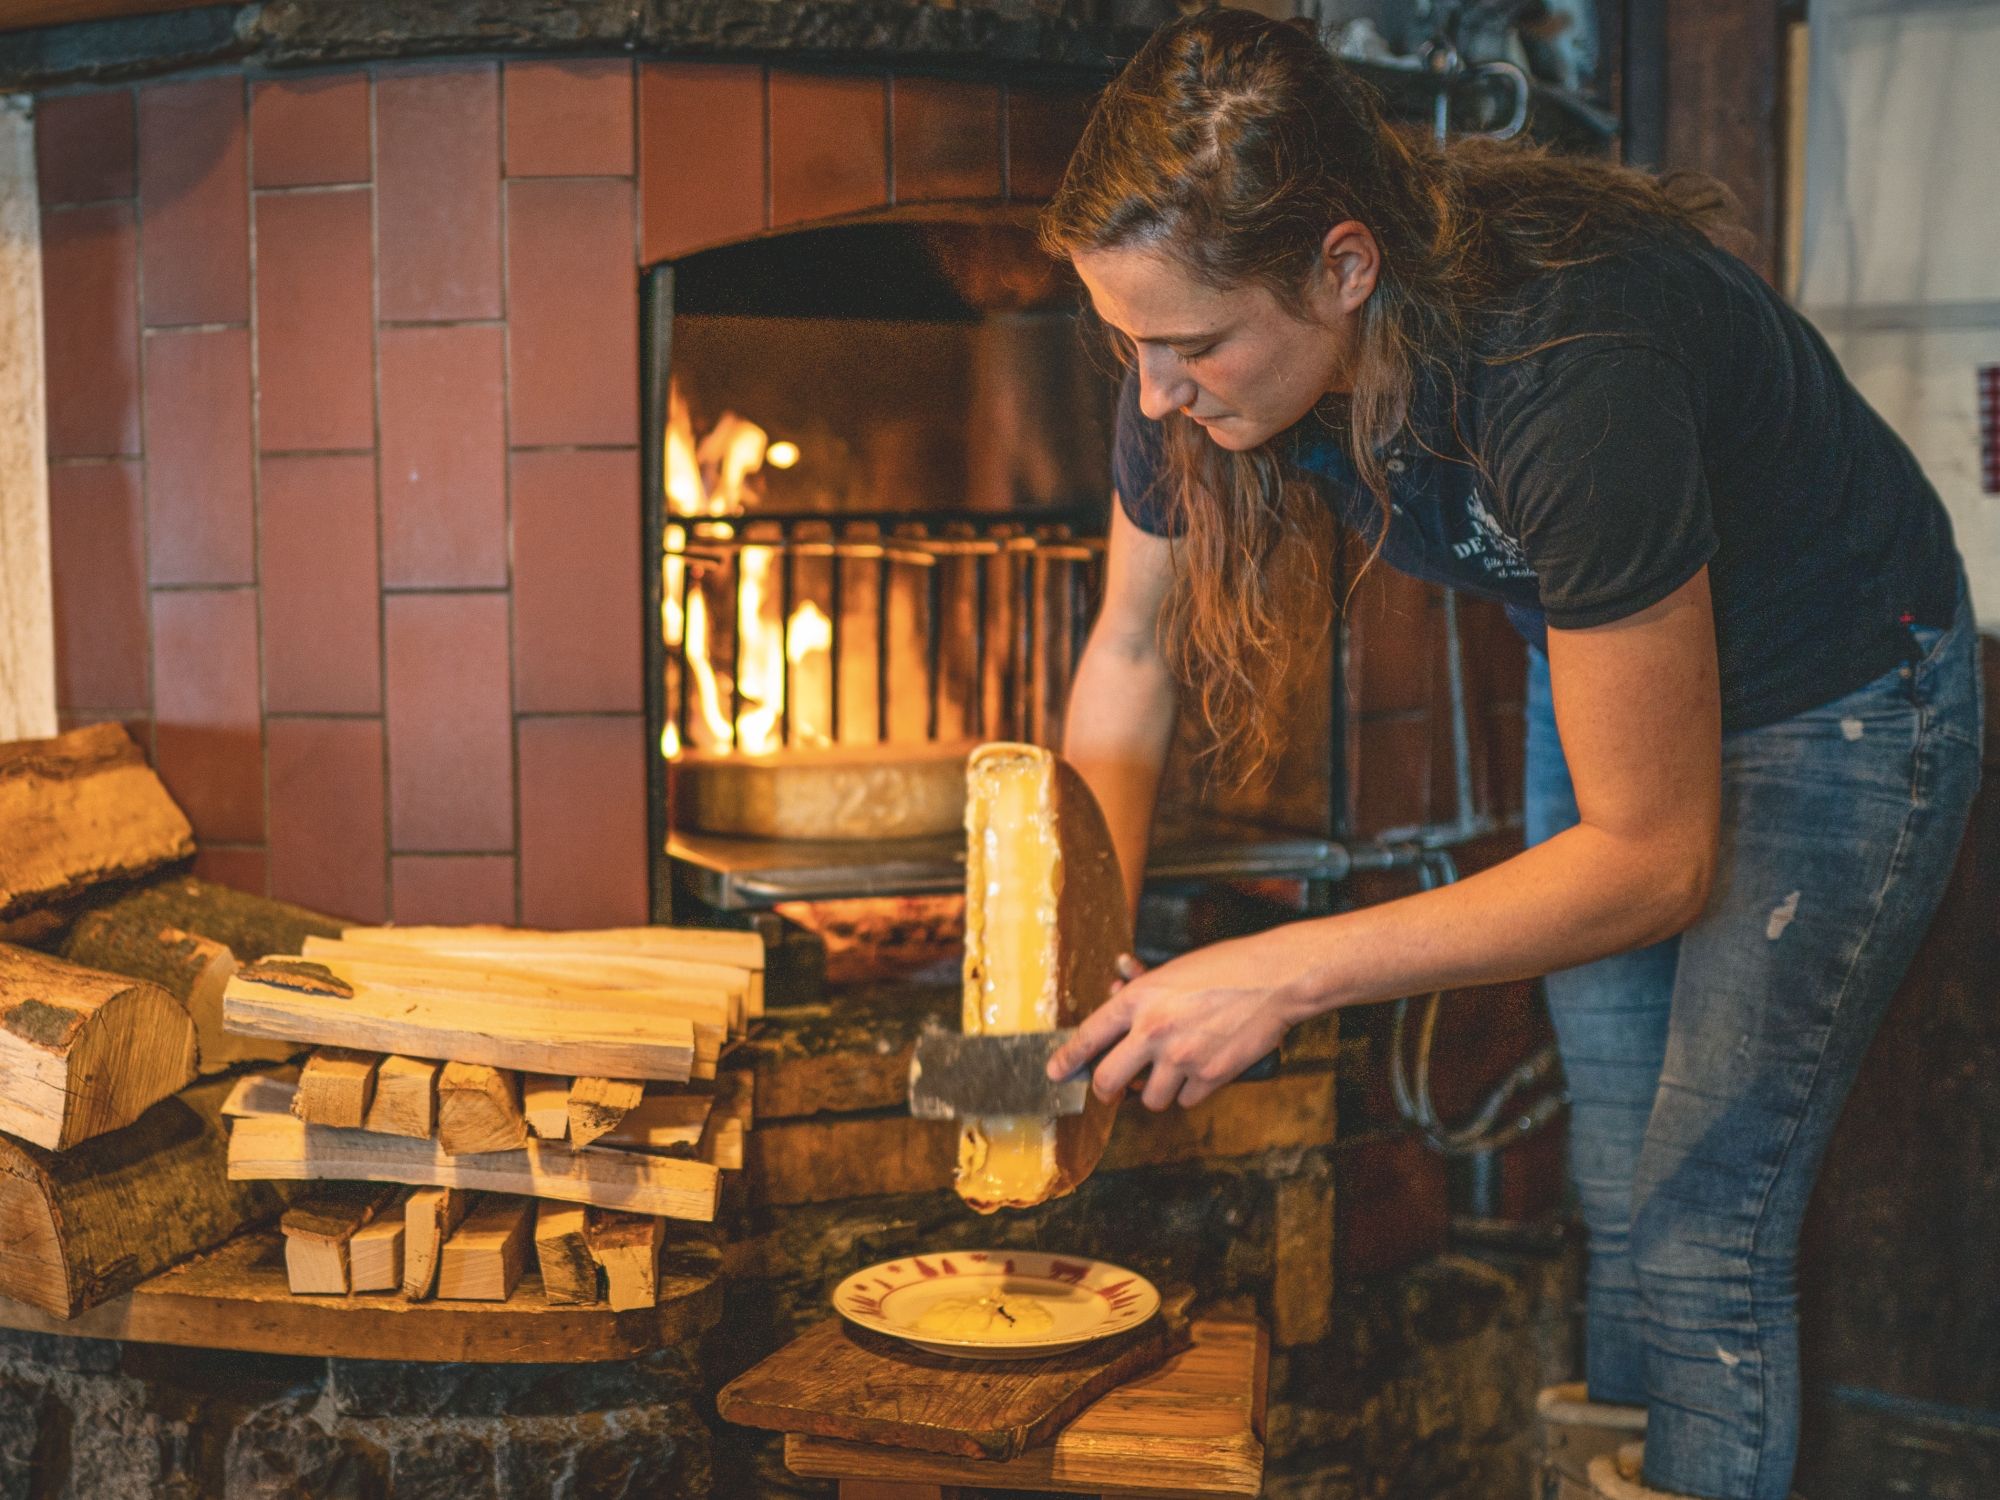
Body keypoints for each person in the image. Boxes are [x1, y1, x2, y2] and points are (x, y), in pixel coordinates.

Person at [1036, 11, 1980, 1500]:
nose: (1155, 394)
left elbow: (1651, 860)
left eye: (1191, 348)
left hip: (1838, 686)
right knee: (1617, 1171)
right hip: (1607, 662)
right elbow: (1131, 658)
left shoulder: (1563, 359)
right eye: (1127, 345)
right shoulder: (1189, 352)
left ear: (1345, 267)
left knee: (1698, 1215)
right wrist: (1070, 957)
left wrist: (1279, 969)